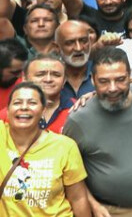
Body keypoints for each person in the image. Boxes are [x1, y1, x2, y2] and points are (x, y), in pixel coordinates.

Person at [63, 48, 132, 216]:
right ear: (92, 81)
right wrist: (93, 205)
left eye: (120, 79)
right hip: (109, 212)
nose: (113, 88)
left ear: (130, 76)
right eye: (103, 81)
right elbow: (68, 174)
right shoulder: (78, 119)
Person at [1, 82, 92, 216]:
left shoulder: (64, 146)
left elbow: (78, 198)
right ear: (7, 110)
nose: (24, 107)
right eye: (17, 103)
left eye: (32, 103)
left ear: (43, 110)